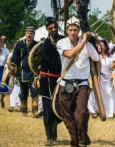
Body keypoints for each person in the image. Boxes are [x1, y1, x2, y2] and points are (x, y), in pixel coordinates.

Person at [56, 18, 100, 147]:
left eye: (75, 30)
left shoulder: (88, 46)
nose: (73, 32)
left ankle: (83, 135)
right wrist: (84, 41)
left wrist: (97, 78)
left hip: (82, 84)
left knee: (80, 114)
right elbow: (69, 54)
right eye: (70, 30)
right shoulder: (61, 43)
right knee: (67, 115)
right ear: (66, 31)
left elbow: (97, 60)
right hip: (65, 83)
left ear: (78, 30)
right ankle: (74, 141)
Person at [40, 17, 64, 146]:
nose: (54, 30)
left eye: (55, 27)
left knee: (62, 106)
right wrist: (66, 55)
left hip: (61, 79)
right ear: (47, 30)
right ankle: (49, 137)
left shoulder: (64, 39)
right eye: (51, 28)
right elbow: (55, 62)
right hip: (47, 79)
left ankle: (55, 124)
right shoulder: (46, 45)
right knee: (48, 108)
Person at [10, 26, 39, 117]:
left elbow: (40, 58)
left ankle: (35, 111)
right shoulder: (19, 45)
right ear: (25, 34)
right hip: (22, 71)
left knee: (34, 91)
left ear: (34, 34)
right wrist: (12, 67)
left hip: (33, 72)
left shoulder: (37, 45)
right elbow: (15, 56)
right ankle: (24, 110)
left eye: (31, 33)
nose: (29, 35)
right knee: (24, 92)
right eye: (27, 33)